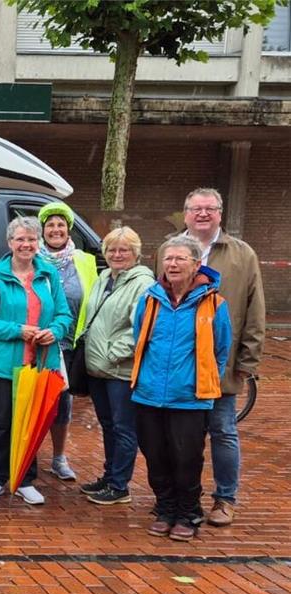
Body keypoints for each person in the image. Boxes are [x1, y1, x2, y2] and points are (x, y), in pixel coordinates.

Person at [156, 187, 264, 528]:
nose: (203, 214)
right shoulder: (167, 248)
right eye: (196, 209)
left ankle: (225, 498)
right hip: (175, 368)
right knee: (179, 437)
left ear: (220, 213)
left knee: (222, 431)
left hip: (219, 365)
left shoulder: (242, 254)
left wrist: (247, 361)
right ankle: (181, 499)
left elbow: (255, 309)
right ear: (185, 213)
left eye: (210, 209)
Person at [133, 235, 231, 541]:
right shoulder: (150, 299)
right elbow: (140, 340)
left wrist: (200, 381)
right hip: (148, 394)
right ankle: (165, 508)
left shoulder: (213, 303)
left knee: (186, 458)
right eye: (168, 259)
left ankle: (188, 512)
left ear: (196, 264)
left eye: (180, 259)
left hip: (189, 398)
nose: (172, 264)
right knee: (155, 455)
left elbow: (221, 349)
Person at [0, 215, 72, 505]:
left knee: (31, 422)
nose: (26, 244)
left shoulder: (49, 275)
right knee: (3, 421)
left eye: (31, 239)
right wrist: (18, 331)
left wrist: (54, 331)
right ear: (10, 243)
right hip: (2, 364)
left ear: (38, 243)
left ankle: (26, 479)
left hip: (40, 362)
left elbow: (64, 314)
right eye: (20, 239)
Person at [79, 227, 156, 506]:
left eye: (124, 250)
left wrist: (113, 354)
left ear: (135, 253)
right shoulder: (103, 278)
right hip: (98, 368)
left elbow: (140, 328)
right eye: (112, 249)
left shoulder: (142, 283)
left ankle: (119, 485)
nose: (117, 254)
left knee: (124, 428)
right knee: (108, 425)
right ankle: (109, 475)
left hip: (119, 370)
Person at [37, 202, 98, 482]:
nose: (56, 229)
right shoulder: (32, 258)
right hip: (37, 342)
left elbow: (94, 298)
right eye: (50, 225)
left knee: (63, 404)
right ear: (43, 230)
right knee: (35, 401)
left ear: (69, 228)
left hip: (69, 343)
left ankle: (59, 458)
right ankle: (28, 456)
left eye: (61, 224)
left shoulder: (84, 260)